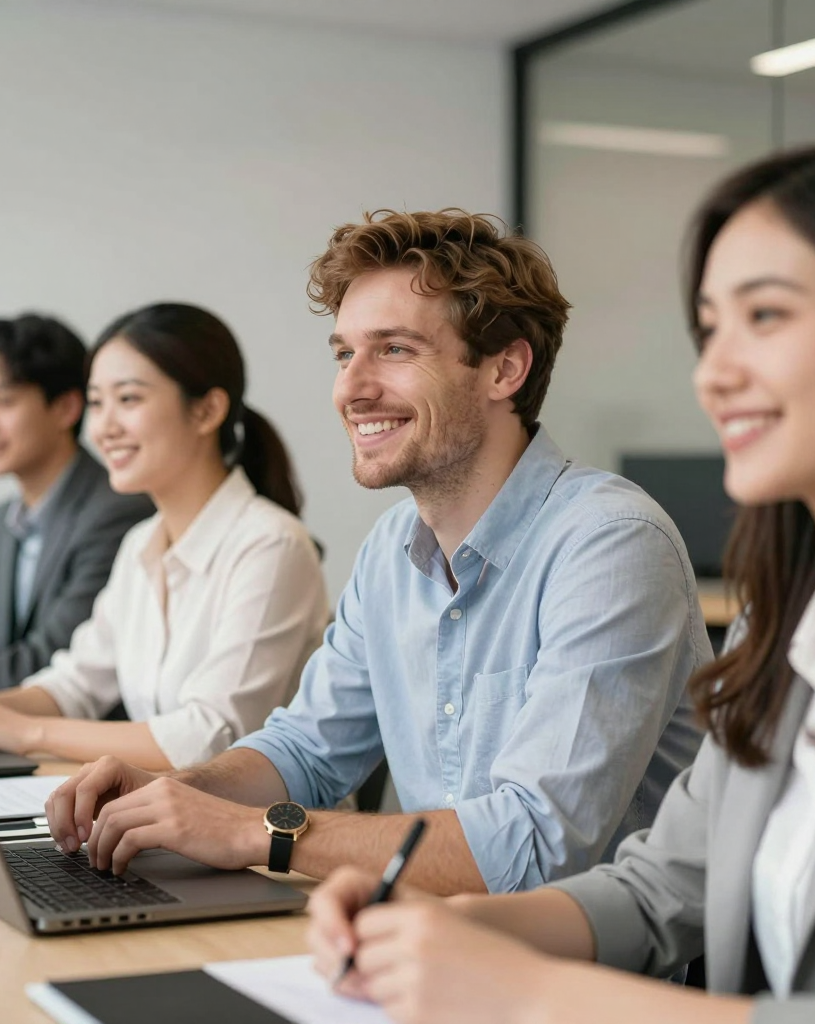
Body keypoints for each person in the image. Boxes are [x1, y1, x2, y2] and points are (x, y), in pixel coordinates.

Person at [305, 139, 815, 1023]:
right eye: (709, 328)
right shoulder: (782, 634)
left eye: (768, 317)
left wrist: (524, 989)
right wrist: (447, 932)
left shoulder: (610, 538)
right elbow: (659, 886)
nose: (715, 372)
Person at [45, 209, 707, 892]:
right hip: (433, 945)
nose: (351, 388)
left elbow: (534, 846)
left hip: (587, 982)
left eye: (394, 349)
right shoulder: (393, 549)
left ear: (504, 369)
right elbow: (305, 752)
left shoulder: (610, 545)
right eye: (343, 353)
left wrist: (251, 832)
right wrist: (170, 795)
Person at [0, 303, 329, 771]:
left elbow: (209, 736)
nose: (103, 428)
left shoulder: (272, 545)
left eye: (128, 399)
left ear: (207, 410)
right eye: (97, 402)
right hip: (167, 820)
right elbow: (77, 684)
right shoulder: (141, 544)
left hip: (267, 831)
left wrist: (24, 732)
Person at [0, 314, 153, 693]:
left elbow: (46, 665)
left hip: (86, 744)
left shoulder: (118, 512)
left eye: (2, 401)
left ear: (67, 408)